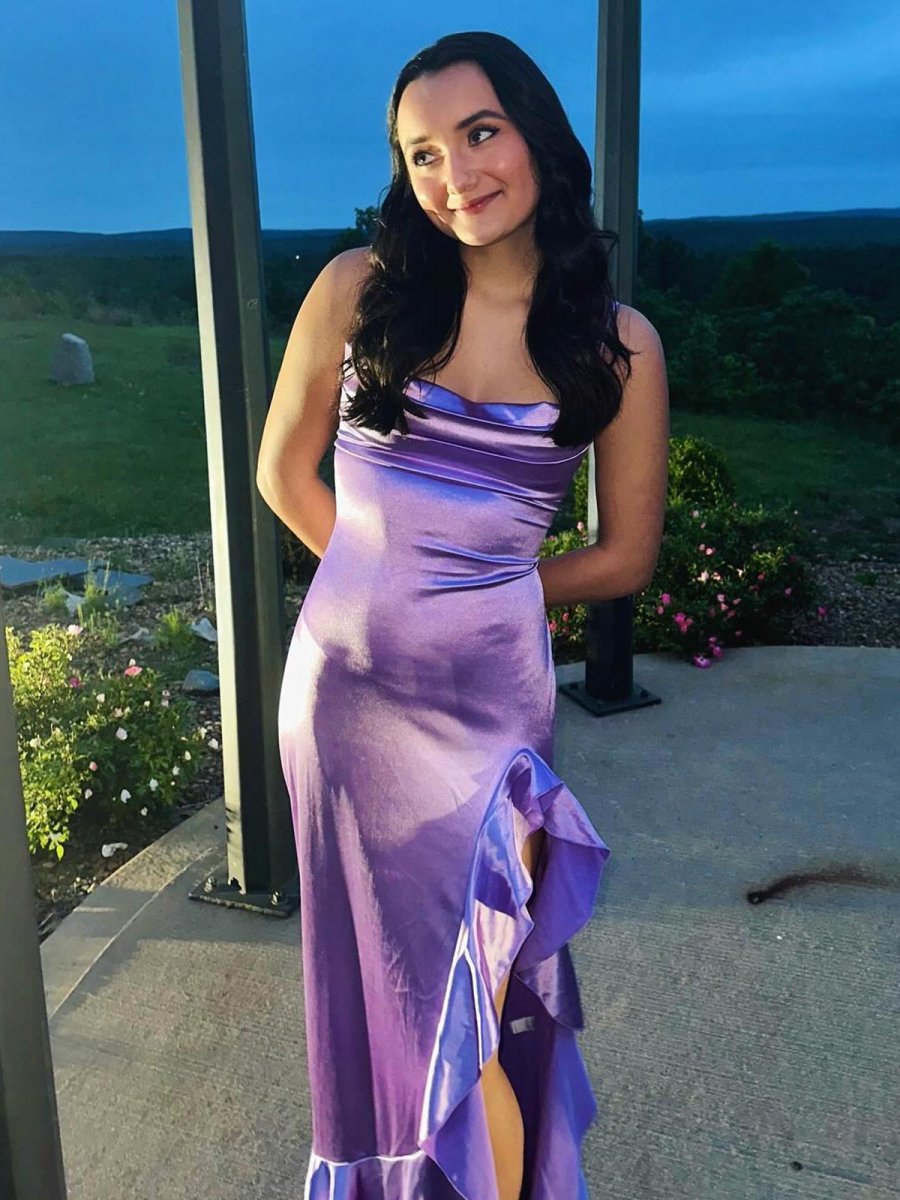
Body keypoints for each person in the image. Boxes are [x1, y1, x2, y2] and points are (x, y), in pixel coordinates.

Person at [256, 29, 669, 1200]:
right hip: (344, 705)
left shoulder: (618, 346)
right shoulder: (359, 290)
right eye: (423, 154)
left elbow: (625, 556)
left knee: (472, 1008)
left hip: (491, 718)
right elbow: (283, 475)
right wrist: (385, 585)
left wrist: (485, 591)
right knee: (392, 1004)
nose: (456, 175)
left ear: (536, 132)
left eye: (479, 134)